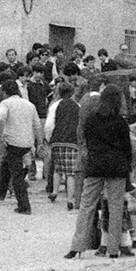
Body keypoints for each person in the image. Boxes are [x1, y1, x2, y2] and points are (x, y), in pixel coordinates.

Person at [65, 84, 133, 258]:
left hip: (95, 165)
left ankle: (77, 246)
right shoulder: (120, 122)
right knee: (116, 207)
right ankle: (113, 248)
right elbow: (127, 148)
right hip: (116, 166)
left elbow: (87, 141)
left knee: (86, 205)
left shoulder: (91, 120)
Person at [0, 79, 43, 215]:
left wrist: (0, 136)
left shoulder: (5, 103)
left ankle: (24, 205)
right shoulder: (29, 105)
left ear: (5, 92)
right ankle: (0, 192)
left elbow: (0, 119)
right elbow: (37, 126)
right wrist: (39, 143)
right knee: (6, 163)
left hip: (13, 142)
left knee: (16, 174)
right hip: (27, 142)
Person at [45, 81, 80, 210]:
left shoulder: (55, 105)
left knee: (57, 168)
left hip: (57, 139)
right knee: (71, 172)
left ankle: (54, 191)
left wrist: (49, 138)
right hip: (72, 141)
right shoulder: (77, 106)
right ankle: (70, 199)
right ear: (72, 93)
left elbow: (49, 125)